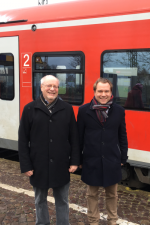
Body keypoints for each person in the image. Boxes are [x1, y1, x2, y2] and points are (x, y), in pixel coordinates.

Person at [18, 75, 79, 225]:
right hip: (38, 165)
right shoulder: (30, 109)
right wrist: (26, 165)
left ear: (59, 89)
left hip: (61, 164)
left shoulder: (67, 109)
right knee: (40, 200)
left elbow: (75, 138)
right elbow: (23, 140)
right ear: (41, 87)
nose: (52, 89)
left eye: (55, 86)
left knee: (63, 201)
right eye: (48, 86)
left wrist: (75, 161)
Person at [77, 78, 128, 225]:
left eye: (106, 91)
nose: (103, 94)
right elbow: (78, 137)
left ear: (111, 92)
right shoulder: (84, 111)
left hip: (112, 158)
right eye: (100, 91)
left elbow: (122, 135)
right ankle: (93, 221)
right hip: (91, 159)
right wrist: (78, 159)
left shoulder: (119, 111)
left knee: (112, 194)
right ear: (95, 92)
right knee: (91, 194)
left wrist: (123, 157)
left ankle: (112, 220)